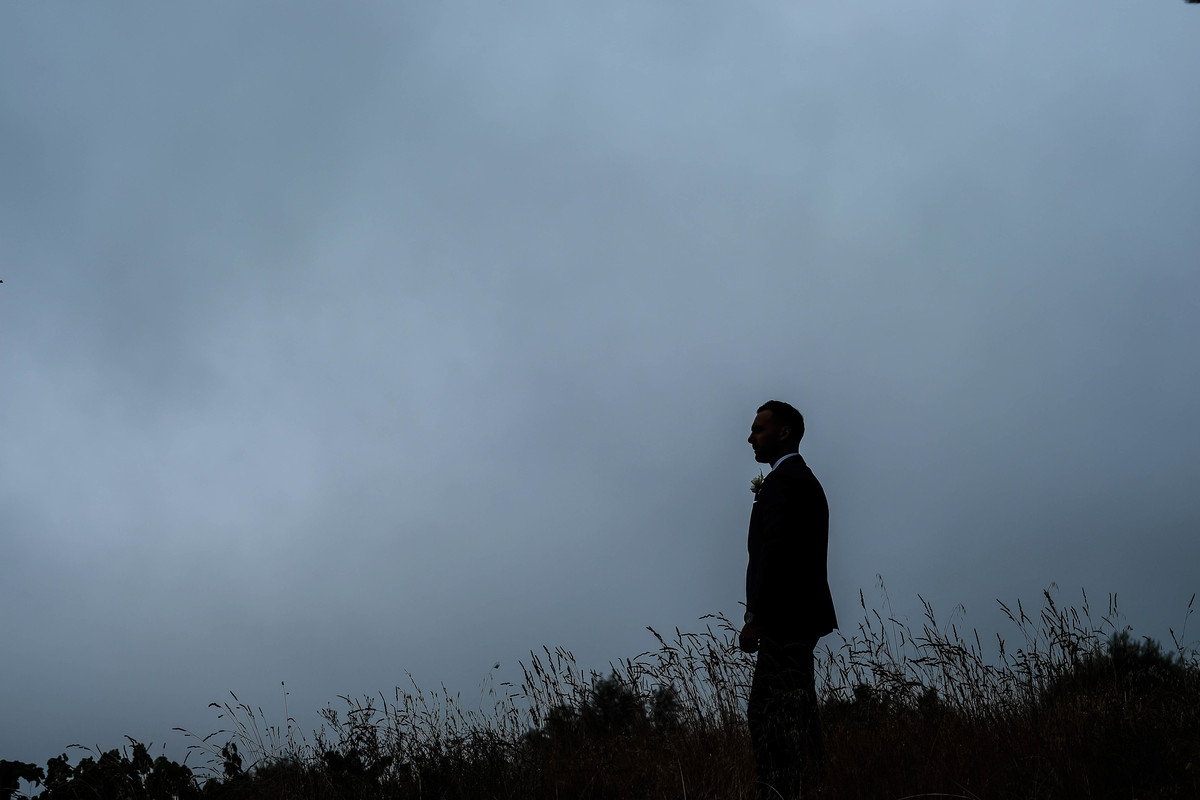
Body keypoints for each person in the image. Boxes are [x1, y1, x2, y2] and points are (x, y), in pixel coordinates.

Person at [740, 400, 837, 800]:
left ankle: (779, 792)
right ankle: (809, 787)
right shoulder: (798, 479)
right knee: (796, 711)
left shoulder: (785, 481)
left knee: (767, 715)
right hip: (799, 616)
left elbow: (776, 554)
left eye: (759, 429)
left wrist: (756, 618)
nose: (750, 437)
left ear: (784, 432)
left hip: (786, 617)